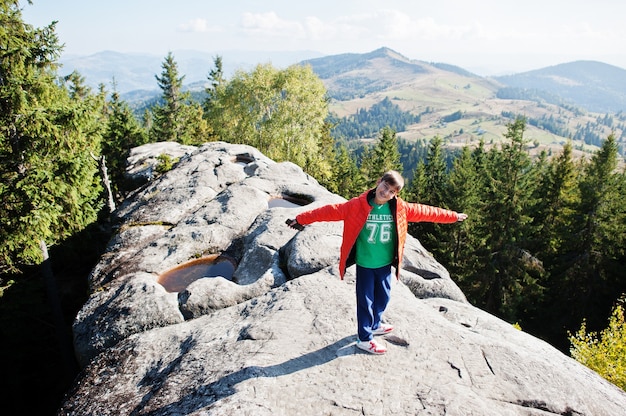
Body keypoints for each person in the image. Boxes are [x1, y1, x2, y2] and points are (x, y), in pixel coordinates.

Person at [287, 170, 467, 354]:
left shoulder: (399, 208)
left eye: (392, 192)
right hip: (365, 263)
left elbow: (427, 211)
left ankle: (375, 324)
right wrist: (300, 219)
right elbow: (328, 211)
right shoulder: (357, 205)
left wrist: (453, 216)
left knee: (383, 297)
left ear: (396, 194)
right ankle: (364, 338)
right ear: (378, 182)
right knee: (365, 301)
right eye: (385, 187)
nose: (386, 193)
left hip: (385, 263)